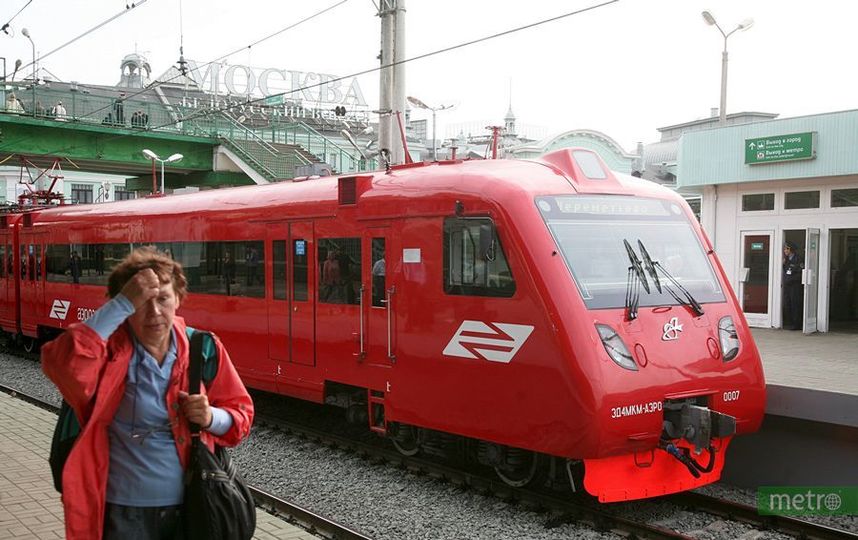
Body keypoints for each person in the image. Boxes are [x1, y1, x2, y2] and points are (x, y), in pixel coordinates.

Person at [41, 246, 254, 540]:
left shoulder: (203, 348)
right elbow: (61, 364)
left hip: (191, 507)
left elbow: (241, 416)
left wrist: (210, 417)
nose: (154, 312)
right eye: (141, 303)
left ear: (178, 298)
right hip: (121, 513)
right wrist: (121, 304)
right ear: (126, 309)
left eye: (163, 299)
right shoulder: (107, 353)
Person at [782, 241, 804, 330]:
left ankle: (797, 324)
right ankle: (790, 322)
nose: (784, 250)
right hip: (787, 286)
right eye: (784, 249)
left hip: (795, 286)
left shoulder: (798, 259)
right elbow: (786, 271)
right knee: (787, 303)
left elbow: (800, 273)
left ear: (791, 249)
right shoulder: (786, 259)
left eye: (786, 248)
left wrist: (791, 280)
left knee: (795, 304)